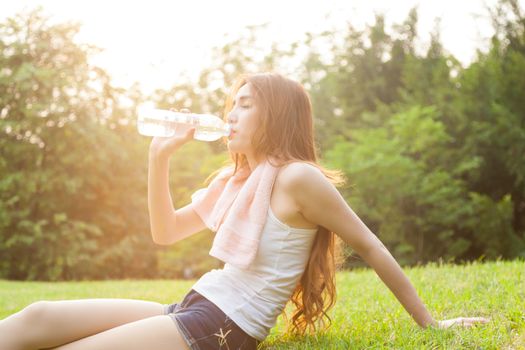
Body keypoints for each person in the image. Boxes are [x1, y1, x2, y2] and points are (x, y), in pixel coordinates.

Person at [0, 73, 489, 350]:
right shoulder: (236, 180)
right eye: (231, 104)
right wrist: (158, 159)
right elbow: (165, 232)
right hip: (193, 306)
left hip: (223, 328)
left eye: (245, 105)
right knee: (36, 319)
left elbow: (370, 245)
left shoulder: (297, 178)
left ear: (274, 116)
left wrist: (429, 323)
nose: (230, 115)